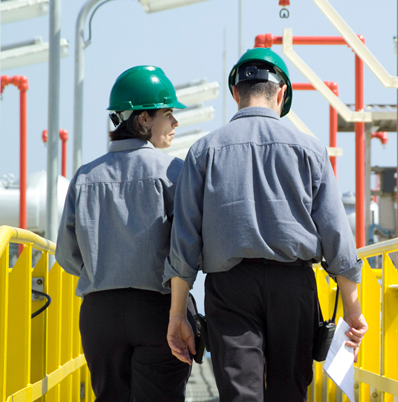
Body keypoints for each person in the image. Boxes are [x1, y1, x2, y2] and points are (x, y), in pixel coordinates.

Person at [164, 48, 368, 401]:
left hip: (230, 289)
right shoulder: (310, 150)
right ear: (281, 93)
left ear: (235, 94)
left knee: (240, 393)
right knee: (290, 391)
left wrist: (178, 314)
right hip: (294, 285)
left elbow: (184, 242)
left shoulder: (203, 151)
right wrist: (352, 310)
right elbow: (337, 237)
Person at [57, 65, 191, 401]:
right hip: (158, 309)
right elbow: (187, 249)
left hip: (99, 316)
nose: (175, 122)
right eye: (168, 113)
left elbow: (66, 254)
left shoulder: (84, 177)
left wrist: (103, 271)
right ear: (143, 120)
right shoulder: (173, 172)